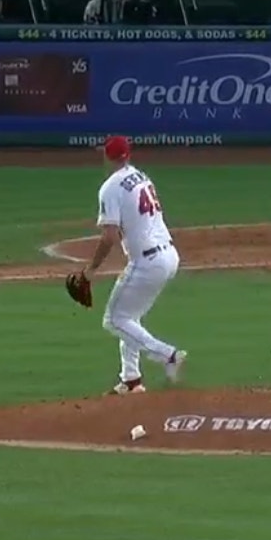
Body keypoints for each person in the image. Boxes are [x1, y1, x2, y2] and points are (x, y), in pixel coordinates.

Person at [79, 135, 187, 396]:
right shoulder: (141, 177)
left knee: (114, 319)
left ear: (108, 156)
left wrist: (90, 270)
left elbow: (109, 236)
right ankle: (131, 380)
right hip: (169, 256)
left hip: (147, 262)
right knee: (130, 318)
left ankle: (167, 354)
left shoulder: (110, 188)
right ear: (127, 155)